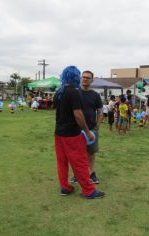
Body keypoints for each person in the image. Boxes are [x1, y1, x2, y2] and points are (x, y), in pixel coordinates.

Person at [53, 65, 105, 199]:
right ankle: (89, 191)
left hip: (59, 133)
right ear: (77, 77)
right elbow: (78, 115)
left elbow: (58, 113)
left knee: (62, 161)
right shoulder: (73, 92)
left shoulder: (60, 91)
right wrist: (88, 132)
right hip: (72, 134)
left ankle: (64, 187)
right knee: (81, 161)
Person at [70, 70, 103, 184]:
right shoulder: (75, 93)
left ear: (92, 80)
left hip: (92, 129)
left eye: (88, 78)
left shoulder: (95, 95)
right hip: (76, 129)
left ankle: (90, 173)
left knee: (91, 152)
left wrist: (96, 127)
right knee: (77, 153)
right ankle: (77, 174)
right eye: (83, 77)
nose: (85, 79)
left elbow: (100, 112)